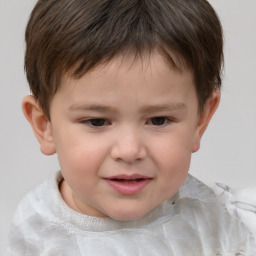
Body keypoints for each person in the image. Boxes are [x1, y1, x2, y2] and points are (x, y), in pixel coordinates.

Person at [7, 0, 256, 255]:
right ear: (44, 125)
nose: (129, 150)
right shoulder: (35, 230)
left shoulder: (221, 223)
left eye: (159, 120)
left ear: (200, 120)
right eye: (97, 121)